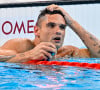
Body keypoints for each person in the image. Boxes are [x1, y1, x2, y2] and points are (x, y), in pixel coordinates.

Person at [0, 4, 100, 63]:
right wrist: (28, 55)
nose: (58, 31)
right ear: (36, 30)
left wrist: (72, 23)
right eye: (51, 25)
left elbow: (98, 54)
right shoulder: (22, 46)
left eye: (62, 27)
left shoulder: (66, 53)